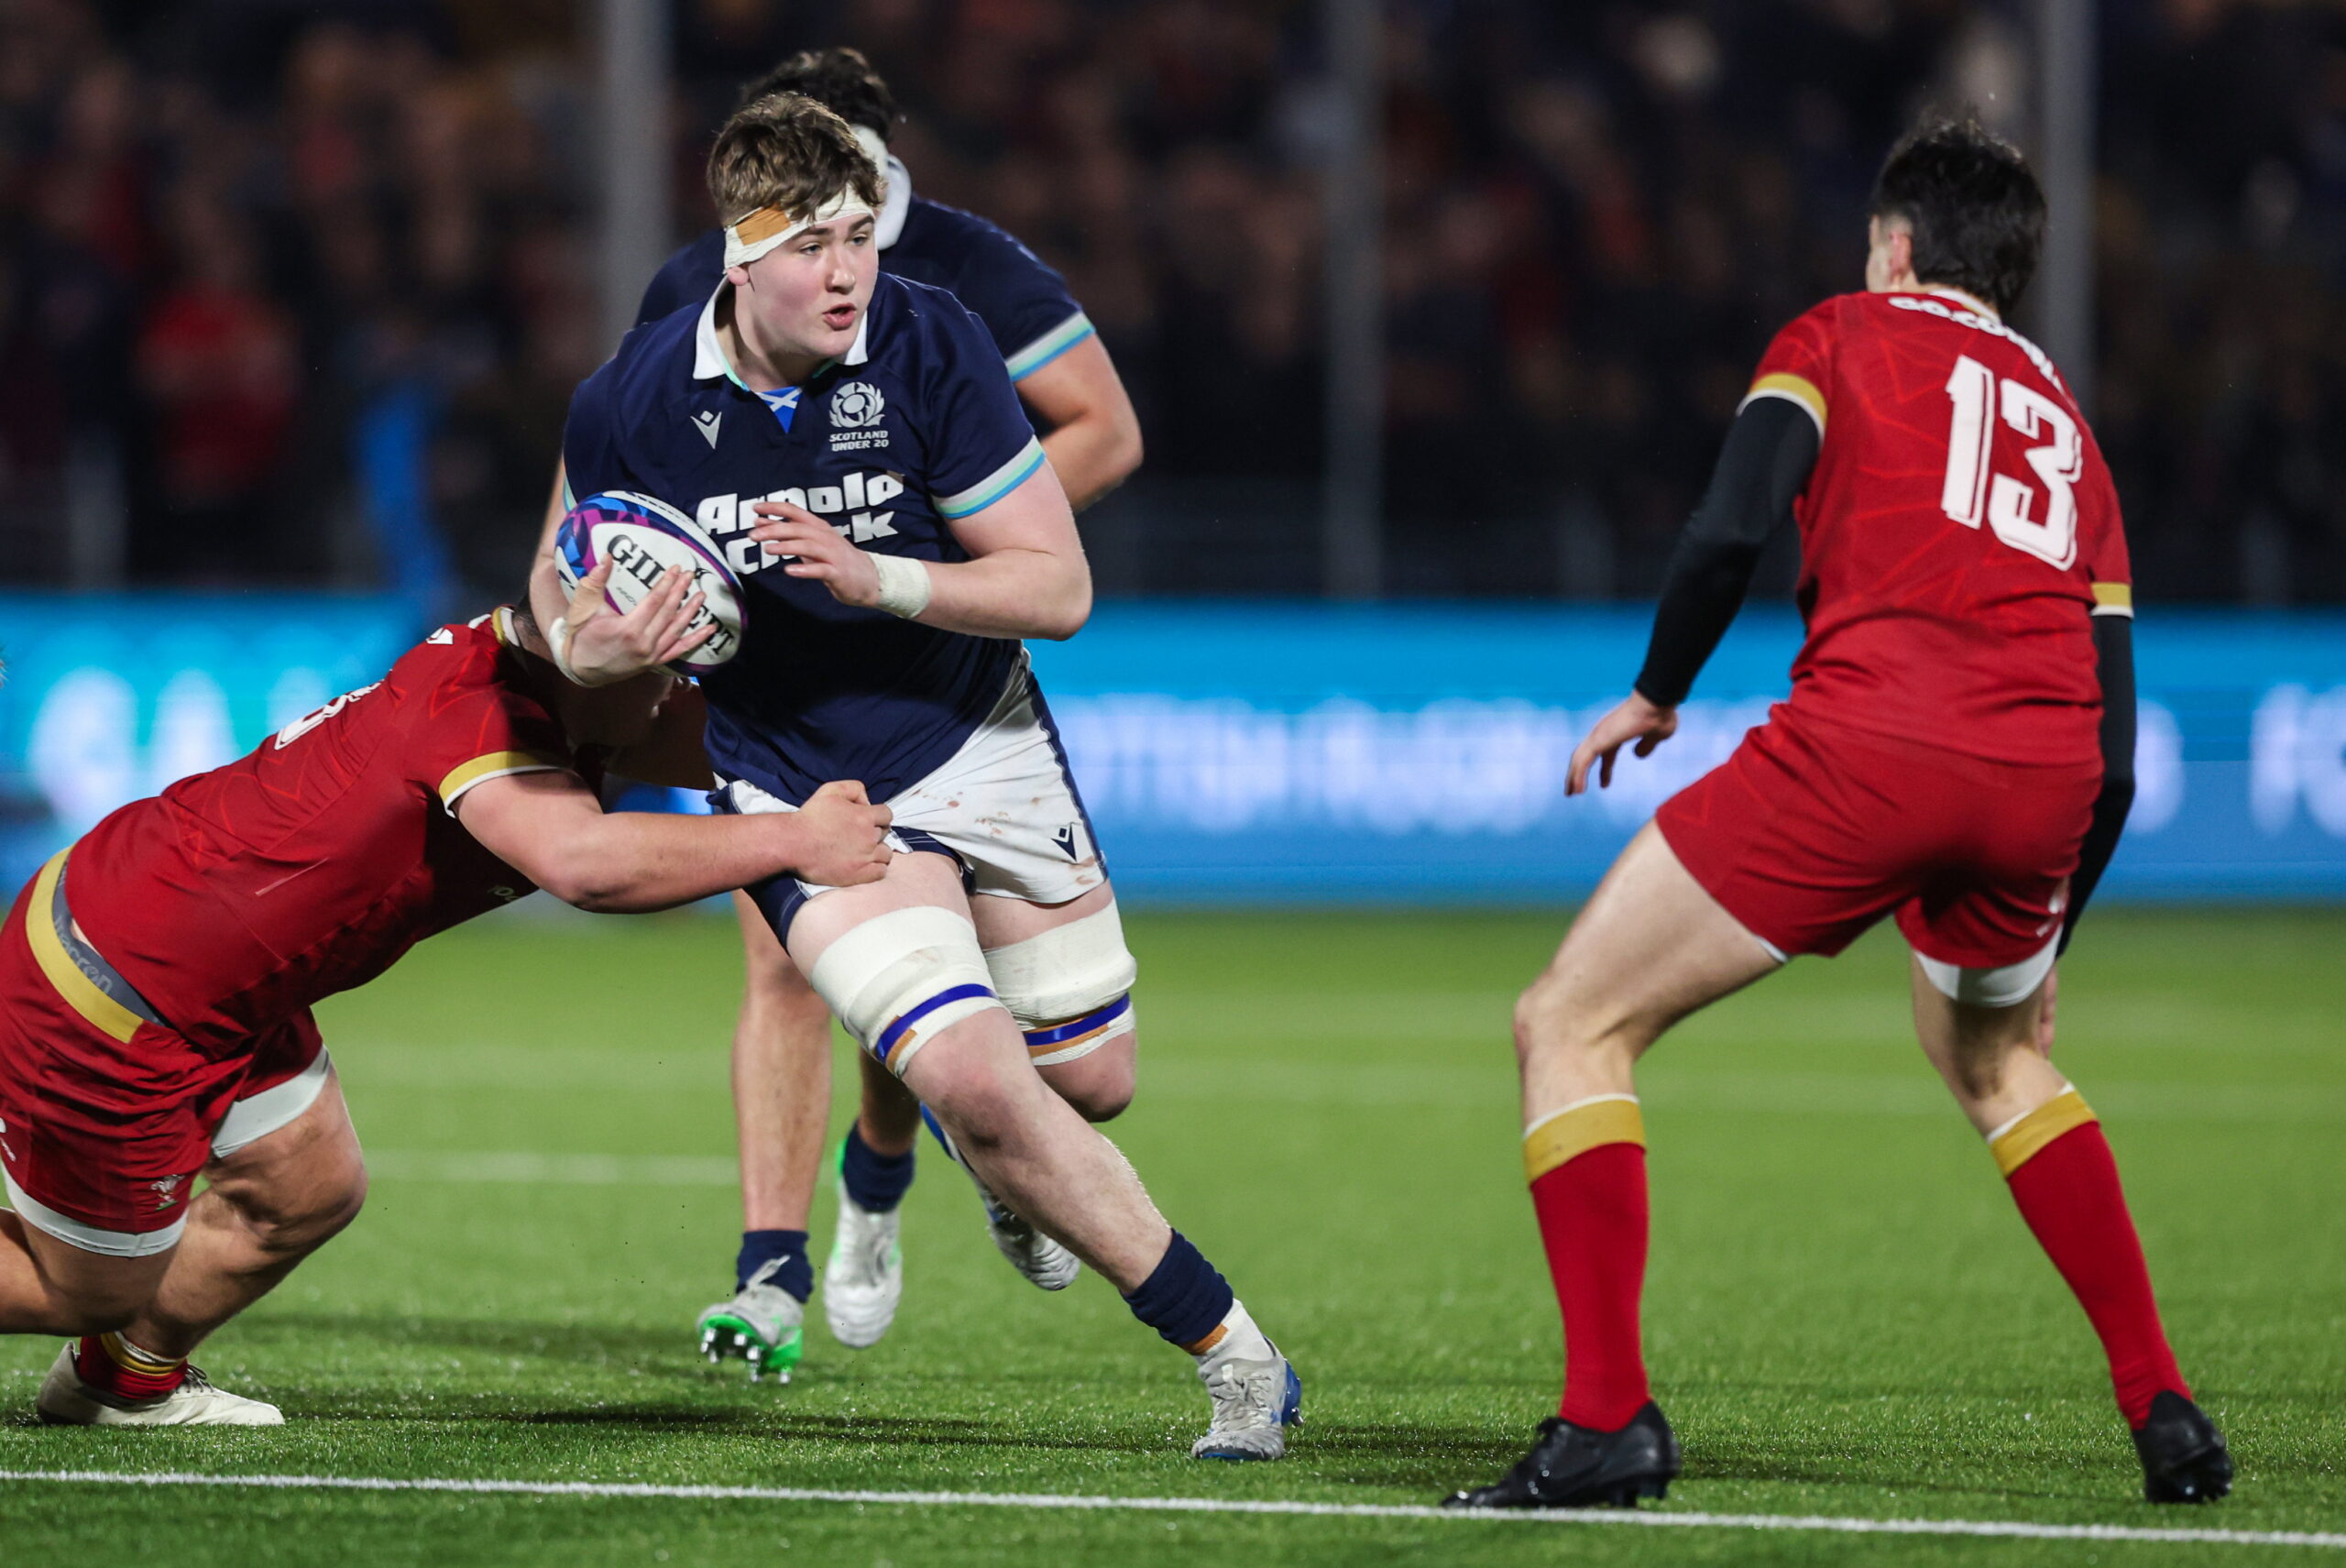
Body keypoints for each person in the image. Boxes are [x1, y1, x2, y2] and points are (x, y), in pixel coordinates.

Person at [1444, 118, 2231, 1510]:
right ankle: (2161, 1401)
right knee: (1994, 1060)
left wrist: (1657, 691)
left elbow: (1729, 526)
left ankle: (1607, 1418)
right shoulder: (2071, 435)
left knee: (1570, 1020)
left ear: (1897, 247)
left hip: (1876, 744)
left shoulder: (1837, 334)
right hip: (2041, 777)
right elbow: (2114, 755)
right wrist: (2050, 935)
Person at [541, 92, 1297, 1460]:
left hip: (973, 732)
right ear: (738, 254)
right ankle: (1237, 1357)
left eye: (858, 237)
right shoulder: (629, 401)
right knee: (980, 1080)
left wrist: (876, 575)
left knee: (1093, 1081)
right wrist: (602, 646)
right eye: (812, 245)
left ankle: (982, 1151)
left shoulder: (932, 338)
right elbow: (566, 610)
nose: (848, 272)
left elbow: (1058, 589)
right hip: (798, 788)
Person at [0, 586, 894, 1425]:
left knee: (305, 1188)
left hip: (211, 966)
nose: (677, 693)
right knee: (83, 1289)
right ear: (595, 664)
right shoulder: (482, 715)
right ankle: (109, 1340)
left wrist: (902, 739)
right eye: (665, 672)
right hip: (123, 980)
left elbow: (728, 746)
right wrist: (794, 837)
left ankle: (122, 1380)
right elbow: (583, 864)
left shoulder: (544, 682)